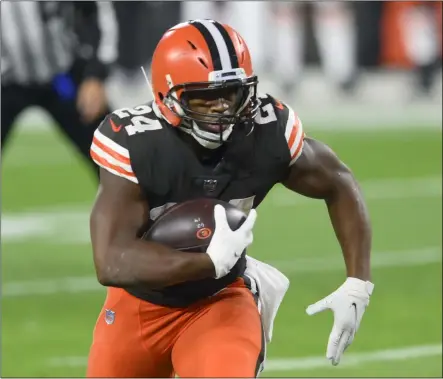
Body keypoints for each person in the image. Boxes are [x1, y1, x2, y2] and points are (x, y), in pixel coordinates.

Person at [87, 19, 374, 378]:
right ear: (167, 95)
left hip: (220, 300)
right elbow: (111, 261)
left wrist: (357, 283)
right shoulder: (137, 141)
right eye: (204, 97)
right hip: (139, 302)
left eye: (231, 93)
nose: (222, 109)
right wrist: (207, 262)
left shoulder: (267, 132)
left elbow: (339, 182)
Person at [1, 1, 117, 176]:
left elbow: (94, 11)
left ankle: (137, 201)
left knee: (113, 157)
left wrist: (94, 74)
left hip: (62, 79)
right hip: (6, 83)